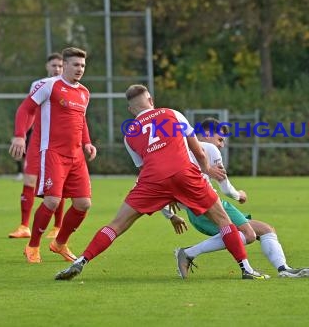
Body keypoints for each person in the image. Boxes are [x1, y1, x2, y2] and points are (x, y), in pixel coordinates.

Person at [54, 85, 269, 281]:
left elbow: (143, 168)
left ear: (131, 110)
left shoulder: (129, 134)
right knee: (223, 220)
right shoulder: (172, 114)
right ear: (151, 100)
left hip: (152, 180)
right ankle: (246, 269)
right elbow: (199, 151)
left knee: (116, 225)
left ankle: (81, 261)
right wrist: (205, 170)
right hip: (184, 174)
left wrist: (166, 193)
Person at [165, 118, 309, 278]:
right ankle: (188, 253)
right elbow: (226, 188)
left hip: (203, 209)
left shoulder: (178, 150)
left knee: (265, 230)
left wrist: (171, 215)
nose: (222, 145)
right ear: (207, 133)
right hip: (208, 207)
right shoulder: (209, 149)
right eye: (220, 139)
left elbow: (155, 183)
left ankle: (283, 269)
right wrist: (240, 195)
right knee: (248, 234)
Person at [9, 47, 97, 263]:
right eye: (75, 65)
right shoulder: (50, 86)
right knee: (52, 201)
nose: (80, 69)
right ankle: (32, 246)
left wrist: (87, 142)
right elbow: (25, 109)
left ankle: (59, 243)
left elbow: (81, 120)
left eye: (83, 65)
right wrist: (20, 136)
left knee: (83, 204)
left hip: (77, 156)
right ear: (64, 65)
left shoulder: (84, 92)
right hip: (53, 153)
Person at [8, 52, 66, 239]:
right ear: (47, 66)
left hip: (59, 143)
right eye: (53, 65)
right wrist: (21, 134)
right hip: (38, 142)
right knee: (29, 180)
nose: (56, 69)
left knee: (58, 185)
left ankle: (58, 227)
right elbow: (30, 111)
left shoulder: (69, 86)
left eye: (60, 66)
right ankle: (24, 226)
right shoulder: (38, 85)